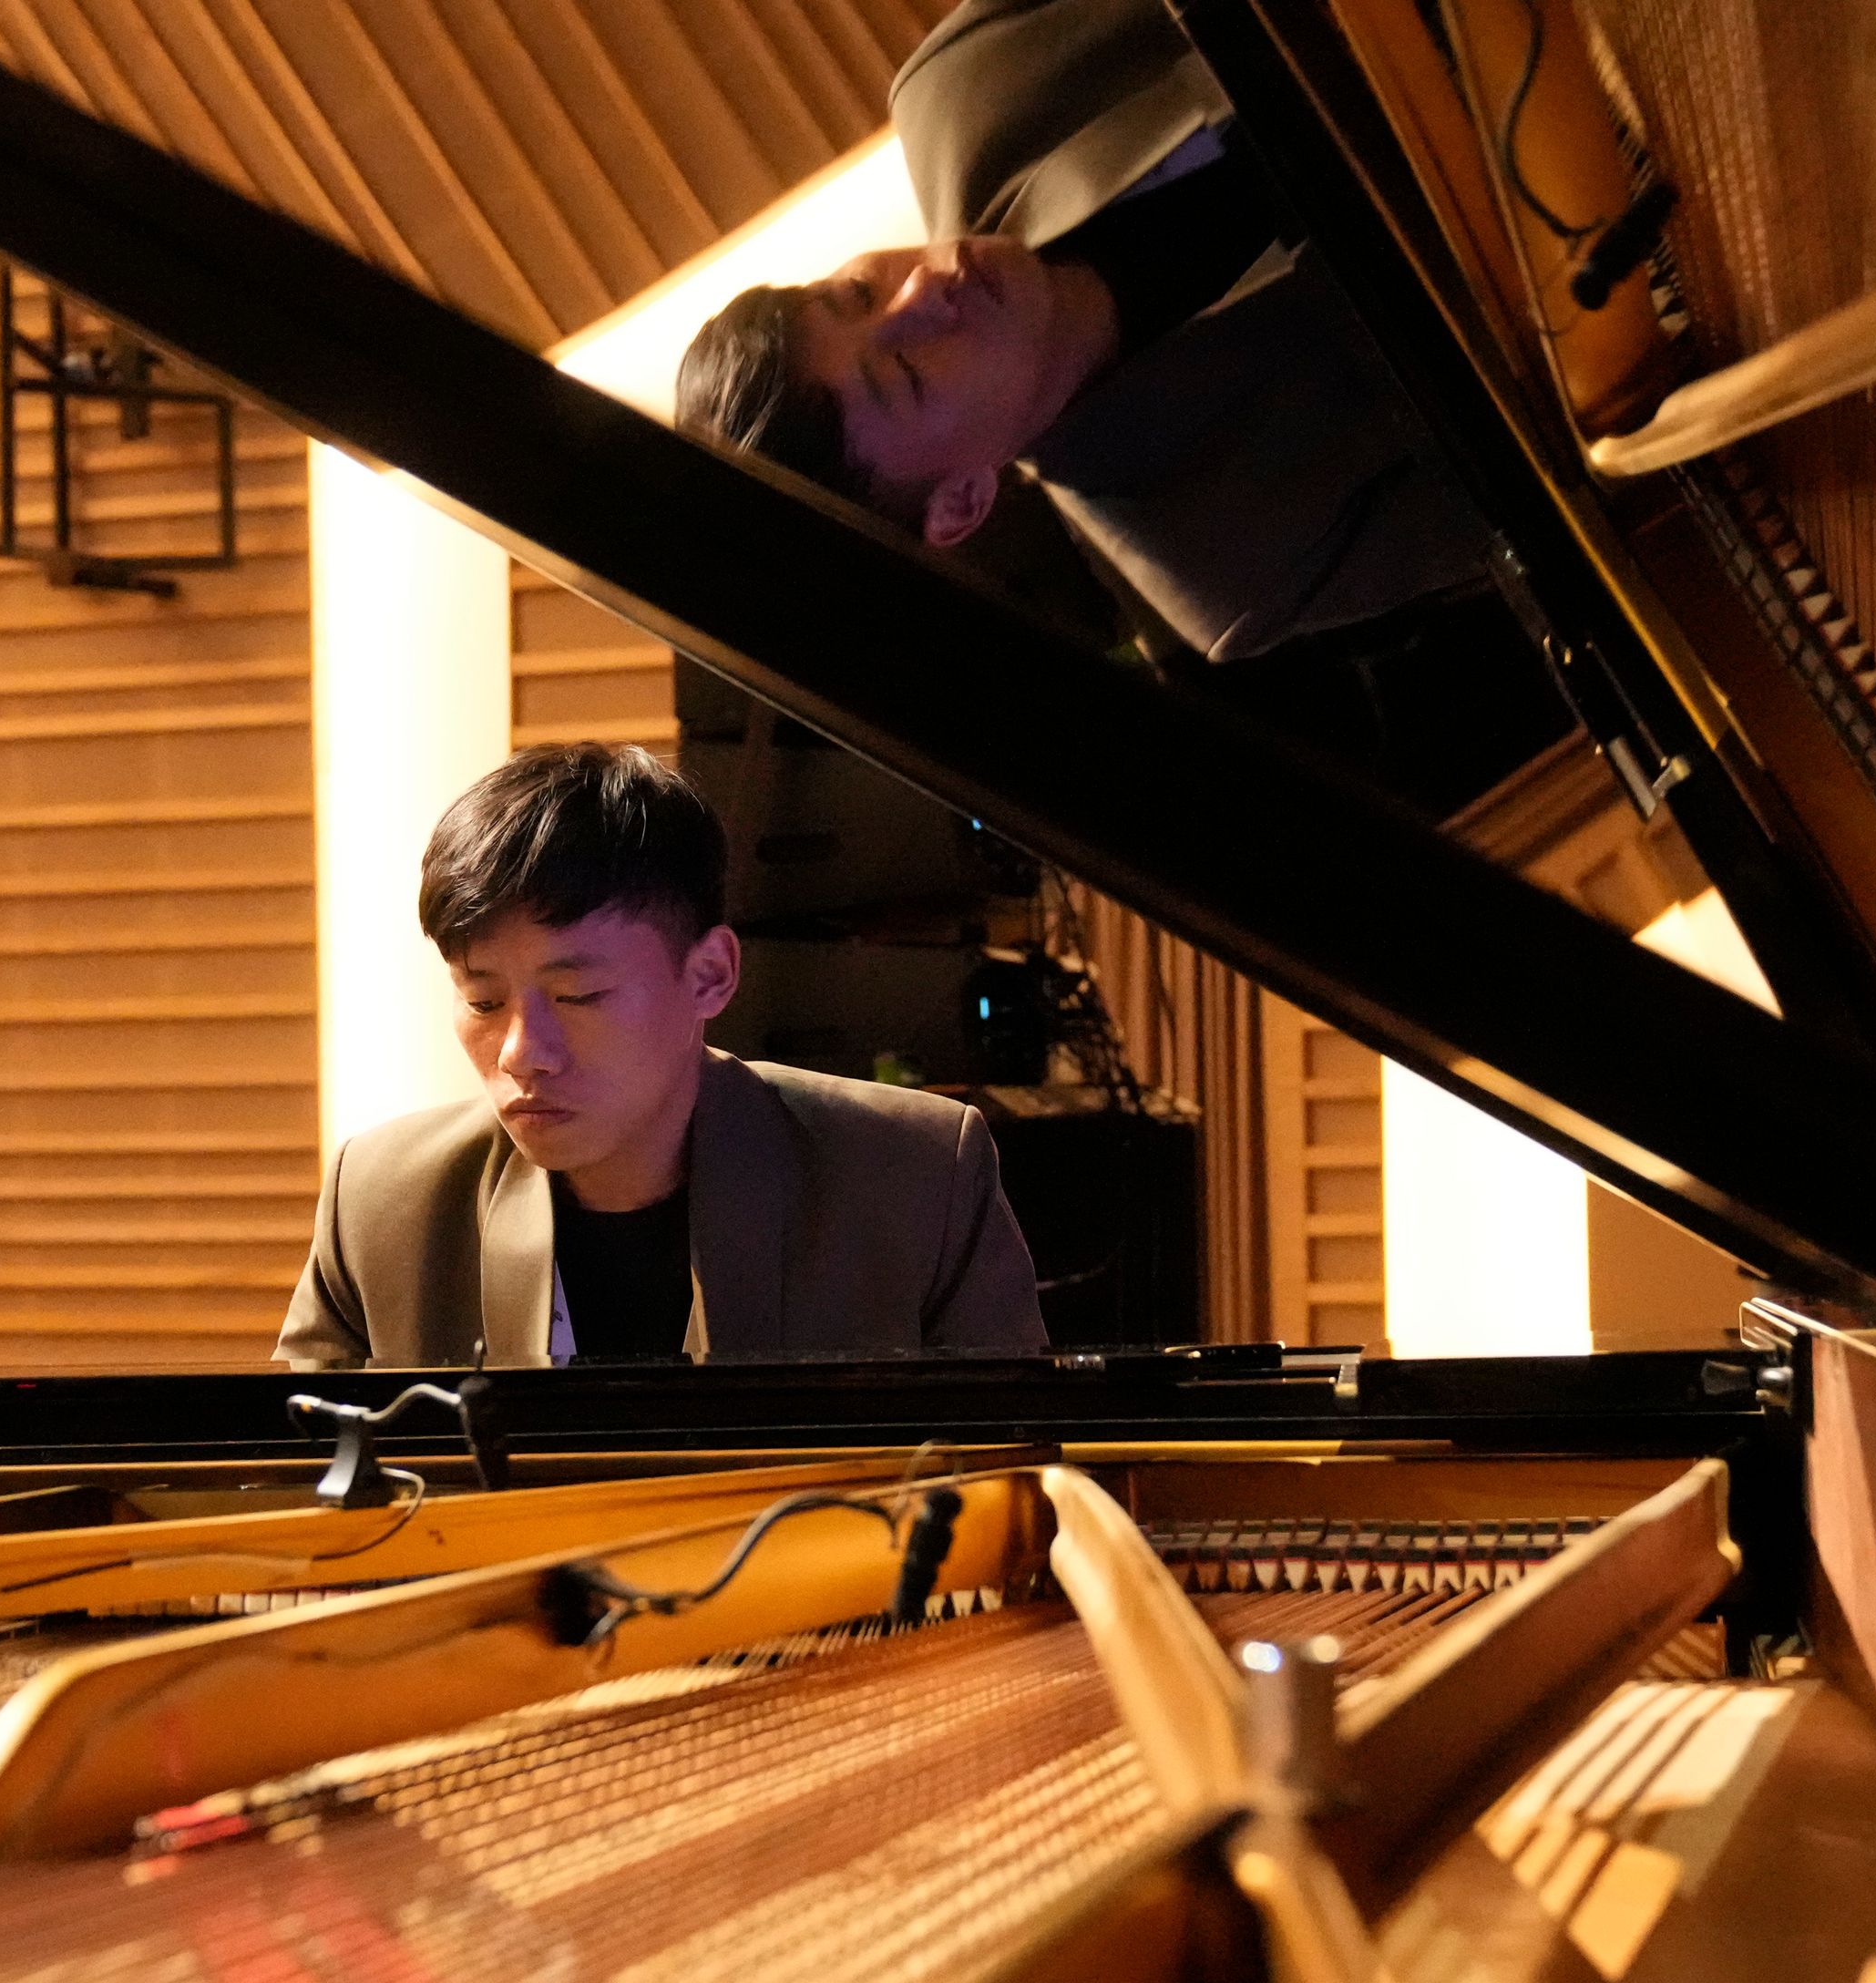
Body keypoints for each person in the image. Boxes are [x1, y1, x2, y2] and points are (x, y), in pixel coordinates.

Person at [672, 0, 1503, 666]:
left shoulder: (966, 86)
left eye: (856, 291)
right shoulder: (1229, 565)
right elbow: (1585, 452)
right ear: (963, 499)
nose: (926, 286)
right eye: (910, 376)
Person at [275, 744, 1047, 1367]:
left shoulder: (913, 1178)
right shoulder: (379, 1202)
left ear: (710, 974)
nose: (520, 1052)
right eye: (483, 1000)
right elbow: (284, 1502)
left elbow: (1019, 1494)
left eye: (577, 997)